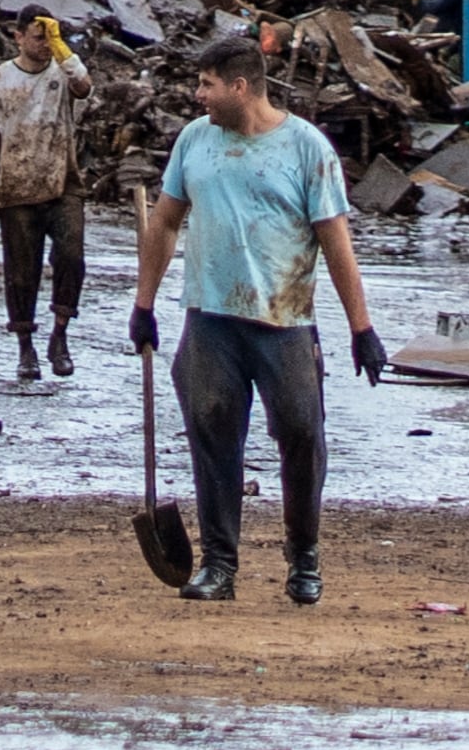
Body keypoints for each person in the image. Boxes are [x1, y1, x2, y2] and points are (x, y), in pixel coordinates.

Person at [131, 36, 387, 605]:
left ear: (240, 87)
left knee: (300, 434)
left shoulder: (305, 148)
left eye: (207, 85)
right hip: (210, 319)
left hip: (285, 320)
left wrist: (361, 328)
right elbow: (167, 223)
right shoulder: (194, 142)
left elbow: (336, 242)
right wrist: (144, 303)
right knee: (213, 433)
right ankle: (219, 564)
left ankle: (304, 558)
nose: (198, 96)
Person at [0, 13, 91, 382]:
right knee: (21, 273)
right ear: (18, 36)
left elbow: (84, 86)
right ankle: (26, 346)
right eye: (38, 37)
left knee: (72, 256)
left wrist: (62, 48)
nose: (43, 44)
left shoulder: (62, 70)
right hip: (17, 185)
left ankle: (60, 335)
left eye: (49, 37)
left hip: (63, 181)